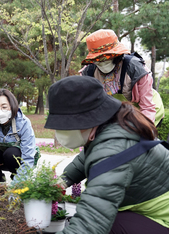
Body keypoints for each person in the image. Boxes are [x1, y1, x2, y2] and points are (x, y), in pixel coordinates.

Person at [44, 75, 169, 234]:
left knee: (110, 227)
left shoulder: (114, 148)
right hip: (149, 208)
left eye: (65, 126)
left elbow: (91, 223)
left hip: (163, 216)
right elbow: (85, 159)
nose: (59, 133)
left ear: (86, 120)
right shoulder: (111, 125)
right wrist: (63, 181)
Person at [80, 29, 164, 127]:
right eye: (98, 62)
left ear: (116, 55)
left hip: (146, 109)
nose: (102, 65)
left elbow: (147, 107)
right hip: (119, 113)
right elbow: (90, 107)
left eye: (106, 61)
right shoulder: (89, 72)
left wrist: (143, 132)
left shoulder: (135, 69)